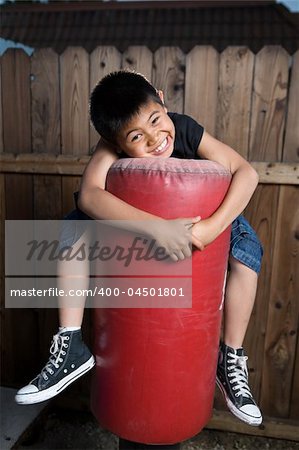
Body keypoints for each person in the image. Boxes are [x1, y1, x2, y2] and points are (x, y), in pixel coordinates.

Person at [15, 70, 263, 427]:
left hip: (201, 218)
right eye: (136, 137)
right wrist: (156, 230)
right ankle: (70, 343)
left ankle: (230, 356)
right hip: (136, 224)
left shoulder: (184, 127)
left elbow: (246, 173)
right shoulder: (109, 144)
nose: (155, 139)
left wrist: (211, 227)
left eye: (156, 120)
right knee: (73, 228)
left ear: (162, 101)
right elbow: (89, 195)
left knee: (247, 251)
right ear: (116, 143)